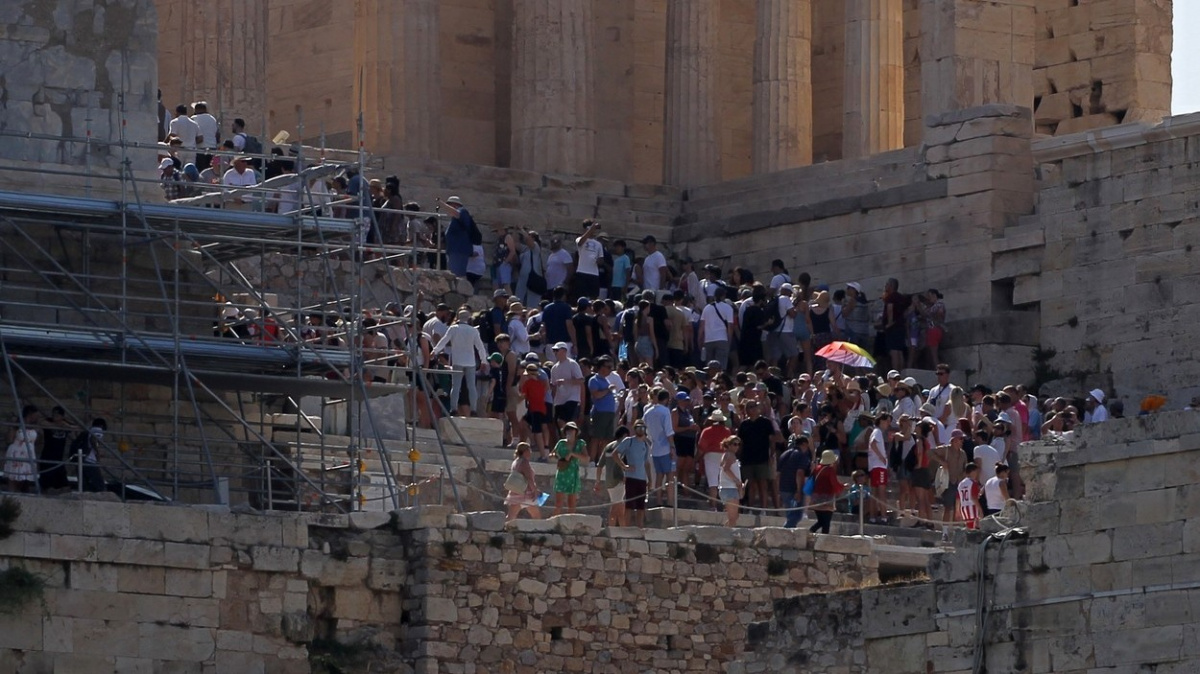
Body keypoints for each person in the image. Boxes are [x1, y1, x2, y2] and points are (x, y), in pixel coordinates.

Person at [431, 310, 490, 416]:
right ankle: (473, 409)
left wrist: (434, 351)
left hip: (457, 361)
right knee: (471, 386)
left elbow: (444, 341)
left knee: (456, 386)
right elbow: (480, 347)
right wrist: (483, 360)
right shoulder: (473, 331)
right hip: (470, 362)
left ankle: (453, 408)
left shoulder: (453, 329)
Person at [736, 399, 778, 510]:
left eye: (754, 406)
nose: (753, 408)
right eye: (750, 406)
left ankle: (763, 509)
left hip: (762, 458)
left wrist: (772, 455)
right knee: (750, 485)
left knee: (762, 484)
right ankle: (750, 508)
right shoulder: (744, 424)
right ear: (746, 410)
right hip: (747, 458)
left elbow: (771, 440)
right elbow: (740, 442)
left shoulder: (765, 422)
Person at [615, 419, 653, 527]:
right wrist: (624, 466)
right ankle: (626, 528)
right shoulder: (629, 441)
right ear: (634, 429)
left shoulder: (645, 445)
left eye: (642, 427)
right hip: (631, 478)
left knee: (641, 507)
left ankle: (639, 528)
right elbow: (615, 454)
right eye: (638, 427)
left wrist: (650, 480)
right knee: (629, 506)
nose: (640, 430)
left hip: (642, 479)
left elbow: (646, 463)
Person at [643, 388, 677, 507]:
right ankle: (670, 501)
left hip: (654, 448)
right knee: (670, 476)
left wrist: (650, 441)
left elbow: (643, 429)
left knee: (659, 475)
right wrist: (672, 446)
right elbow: (668, 431)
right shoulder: (665, 411)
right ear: (667, 399)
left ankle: (658, 500)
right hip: (666, 448)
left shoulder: (648, 411)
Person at [595, 426, 631, 527]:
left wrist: (597, 482)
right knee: (617, 508)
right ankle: (612, 529)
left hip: (609, 481)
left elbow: (600, 465)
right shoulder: (623, 446)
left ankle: (621, 529)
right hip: (619, 480)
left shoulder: (608, 447)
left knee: (619, 507)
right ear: (624, 435)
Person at [552, 422, 589, 516]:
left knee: (571, 503)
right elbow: (552, 454)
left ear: (576, 432)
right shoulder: (561, 443)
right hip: (562, 472)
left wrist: (572, 454)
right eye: (568, 430)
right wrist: (558, 457)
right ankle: (554, 523)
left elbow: (586, 458)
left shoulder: (580, 443)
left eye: (572, 430)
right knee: (558, 503)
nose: (570, 432)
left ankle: (571, 524)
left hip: (573, 474)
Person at [698, 411, 732, 508]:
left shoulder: (707, 431)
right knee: (724, 481)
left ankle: (713, 506)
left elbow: (702, 447)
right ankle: (725, 506)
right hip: (723, 455)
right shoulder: (727, 431)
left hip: (710, 456)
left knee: (713, 482)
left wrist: (697, 458)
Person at [777, 433, 812, 528]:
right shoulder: (802, 456)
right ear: (804, 444)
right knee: (795, 516)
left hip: (783, 488)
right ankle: (784, 534)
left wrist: (778, 491)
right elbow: (799, 473)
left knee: (790, 515)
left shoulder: (784, 454)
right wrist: (799, 490)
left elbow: (778, 474)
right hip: (793, 489)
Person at [588, 357, 619, 463]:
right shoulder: (594, 380)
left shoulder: (606, 380)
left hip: (610, 413)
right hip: (600, 412)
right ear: (601, 367)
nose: (610, 369)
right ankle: (592, 459)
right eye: (608, 367)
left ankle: (600, 460)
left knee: (607, 438)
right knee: (596, 437)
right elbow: (596, 395)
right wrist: (608, 390)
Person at [518, 363, 551, 460]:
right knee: (523, 423)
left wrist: (516, 395)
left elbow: (522, 396)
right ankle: (533, 442)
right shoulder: (541, 384)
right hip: (540, 408)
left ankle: (543, 455)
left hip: (535, 409)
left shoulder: (528, 383)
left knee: (538, 432)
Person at [550, 342, 585, 431]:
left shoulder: (572, 364)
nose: (555, 352)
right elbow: (553, 385)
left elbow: (581, 380)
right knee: (559, 424)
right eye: (554, 350)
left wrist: (566, 381)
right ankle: (568, 439)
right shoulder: (554, 368)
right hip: (559, 400)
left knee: (561, 421)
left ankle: (569, 439)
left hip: (571, 398)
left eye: (557, 350)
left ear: (564, 351)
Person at [5, 405, 40, 492]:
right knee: (14, 478)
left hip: (28, 456)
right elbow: (9, 440)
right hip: (16, 454)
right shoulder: (17, 425)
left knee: (25, 481)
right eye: (35, 415)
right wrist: (12, 426)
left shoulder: (35, 426)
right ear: (30, 414)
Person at [808, 450, 844, 534]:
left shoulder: (817, 468)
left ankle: (810, 532)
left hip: (816, 499)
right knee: (826, 523)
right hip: (827, 499)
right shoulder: (830, 470)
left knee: (821, 521)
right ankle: (823, 539)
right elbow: (834, 483)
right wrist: (843, 487)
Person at [39, 405, 74, 491]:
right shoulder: (48, 421)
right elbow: (41, 422)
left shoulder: (65, 425)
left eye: (57, 415)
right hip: (47, 457)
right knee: (48, 487)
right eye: (54, 414)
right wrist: (59, 425)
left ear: (62, 416)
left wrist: (66, 424)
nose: (55, 417)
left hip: (59, 458)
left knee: (65, 487)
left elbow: (75, 431)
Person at [504, 443, 541, 521]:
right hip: (526, 494)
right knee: (536, 516)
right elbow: (529, 478)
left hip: (516, 492)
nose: (530, 452)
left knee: (511, 517)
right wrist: (534, 490)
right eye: (529, 450)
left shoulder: (516, 461)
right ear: (526, 451)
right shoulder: (524, 462)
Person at [442, 196, 475, 279]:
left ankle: (461, 291)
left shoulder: (462, 211)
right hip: (455, 250)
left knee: (457, 276)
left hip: (458, 250)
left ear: (455, 205)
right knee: (455, 275)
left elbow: (457, 214)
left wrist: (441, 204)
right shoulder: (455, 219)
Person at [867, 412, 891, 524]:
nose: (888, 424)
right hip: (879, 466)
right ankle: (883, 516)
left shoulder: (875, 432)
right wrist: (881, 457)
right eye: (887, 421)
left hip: (874, 466)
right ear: (881, 421)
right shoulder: (877, 432)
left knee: (874, 492)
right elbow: (873, 444)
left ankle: (872, 516)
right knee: (881, 492)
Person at [574, 219, 604, 299]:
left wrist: (599, 261)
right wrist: (591, 229)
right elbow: (580, 243)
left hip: (594, 273)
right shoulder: (579, 239)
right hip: (582, 271)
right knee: (580, 296)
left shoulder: (598, 244)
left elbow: (601, 258)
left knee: (593, 296)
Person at [718, 436, 745, 527]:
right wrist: (736, 481)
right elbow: (726, 469)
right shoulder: (730, 455)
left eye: (738, 444)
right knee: (733, 517)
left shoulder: (727, 455)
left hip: (729, 488)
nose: (737, 446)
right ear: (728, 445)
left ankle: (725, 531)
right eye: (734, 444)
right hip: (730, 488)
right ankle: (728, 536)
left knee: (734, 517)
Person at [957, 462, 983, 530]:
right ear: (973, 471)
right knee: (975, 529)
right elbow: (974, 497)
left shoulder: (961, 484)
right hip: (973, 508)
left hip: (964, 508)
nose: (977, 474)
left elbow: (958, 498)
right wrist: (980, 509)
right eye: (976, 472)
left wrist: (957, 511)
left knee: (968, 528)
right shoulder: (973, 483)